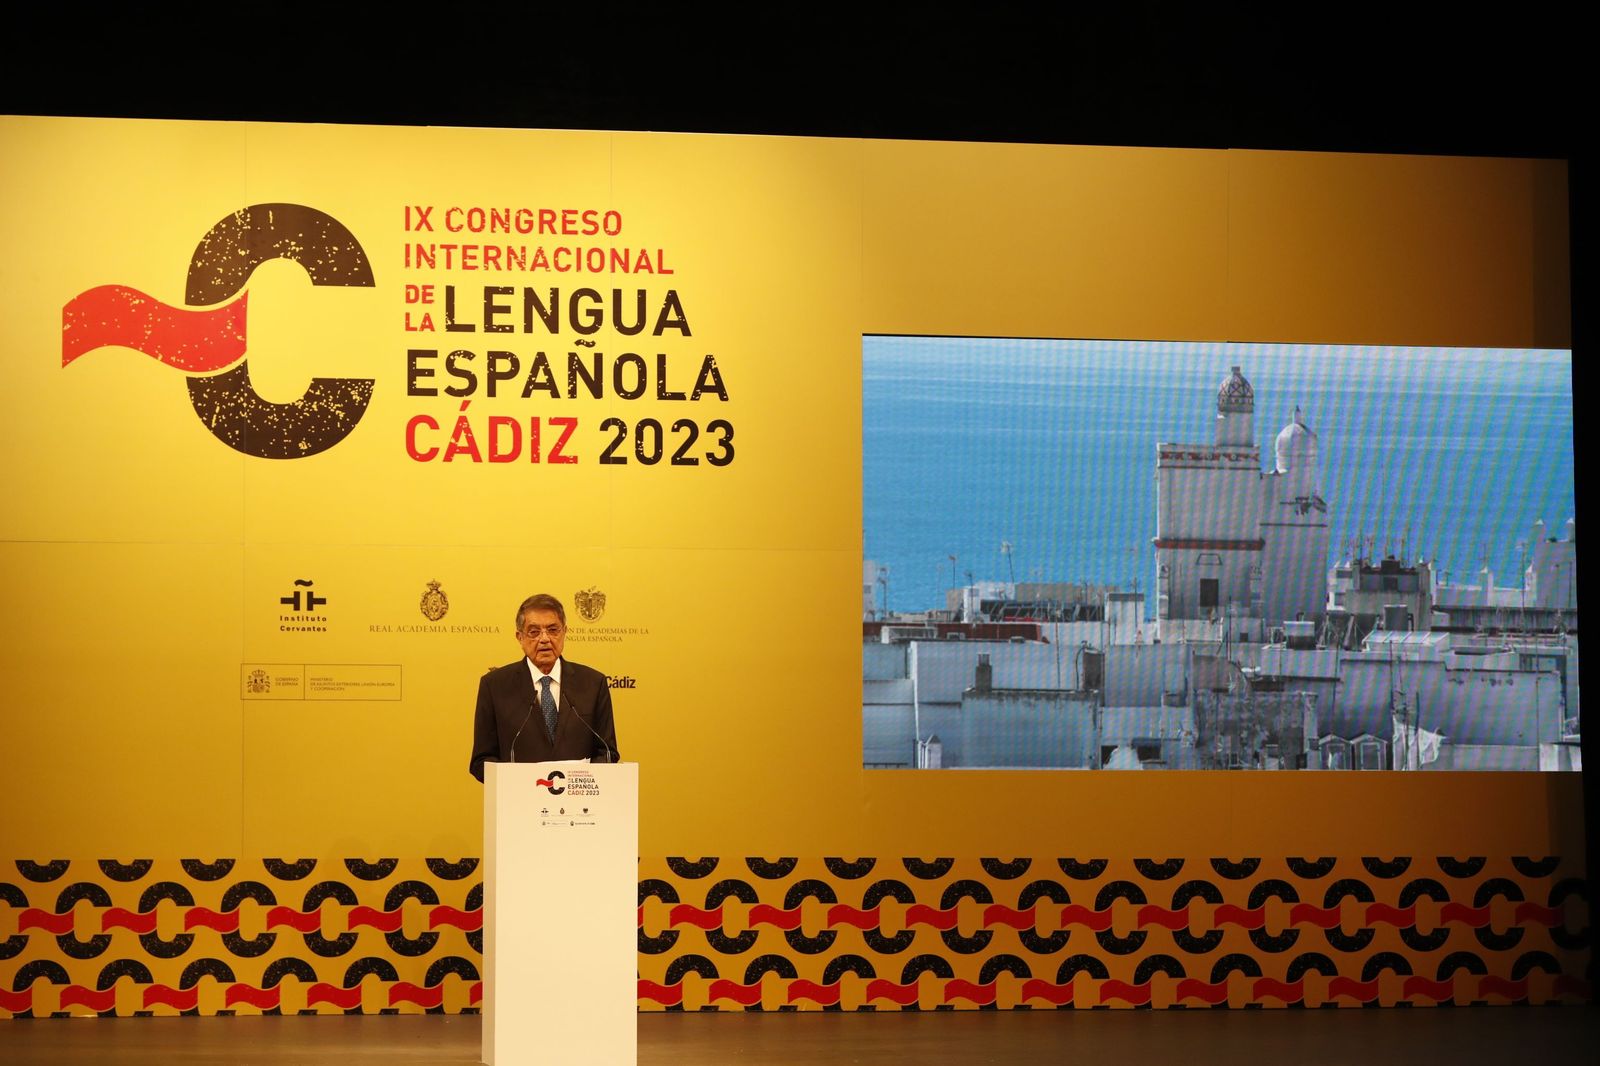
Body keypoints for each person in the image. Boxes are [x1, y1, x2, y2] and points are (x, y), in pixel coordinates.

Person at [469, 593, 619, 781]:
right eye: (534, 632)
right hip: (519, 802)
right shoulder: (495, 686)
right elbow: (481, 761)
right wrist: (520, 782)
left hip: (578, 804)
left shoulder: (593, 683)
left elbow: (607, 752)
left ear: (564, 632)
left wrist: (579, 781)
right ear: (520, 637)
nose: (545, 639)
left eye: (553, 630)